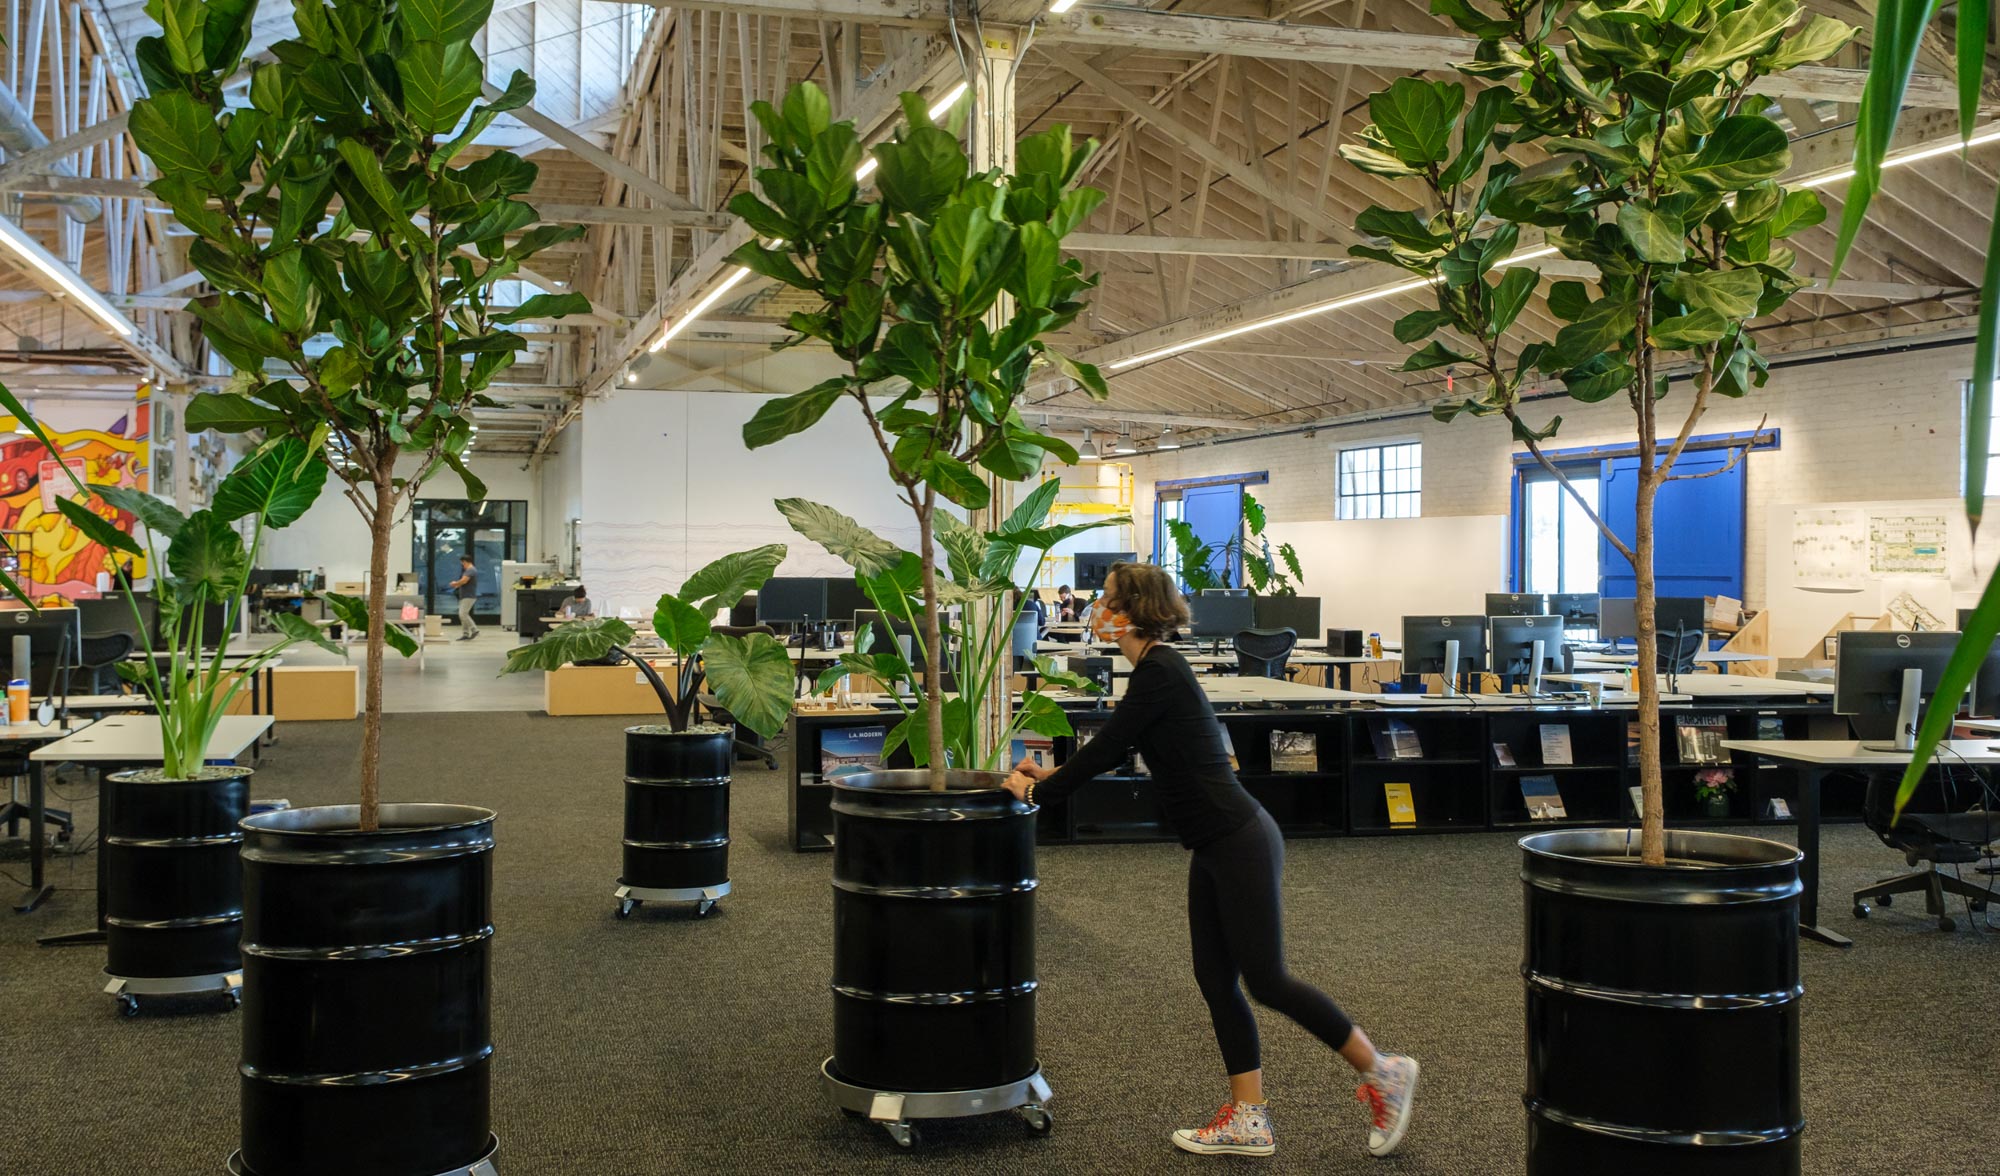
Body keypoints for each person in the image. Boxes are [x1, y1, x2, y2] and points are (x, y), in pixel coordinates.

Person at [1002, 562, 1417, 1160]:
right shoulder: (1154, 671)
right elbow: (1113, 752)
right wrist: (1053, 775)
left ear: (1134, 610)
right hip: (1217, 842)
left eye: (1109, 599)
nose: (1100, 609)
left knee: (1267, 979)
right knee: (1215, 978)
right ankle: (1249, 1118)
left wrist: (1038, 793)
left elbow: (1110, 748)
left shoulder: (1159, 672)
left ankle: (1383, 1070)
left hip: (1238, 838)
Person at [449, 554, 480, 640]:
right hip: (466, 595)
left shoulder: (470, 570)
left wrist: (455, 583)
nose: (462, 565)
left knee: (462, 614)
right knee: (464, 614)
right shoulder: (470, 570)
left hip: (468, 596)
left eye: (462, 563)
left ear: (465, 562)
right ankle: (465, 633)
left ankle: (474, 629)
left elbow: (464, 581)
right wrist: (457, 585)